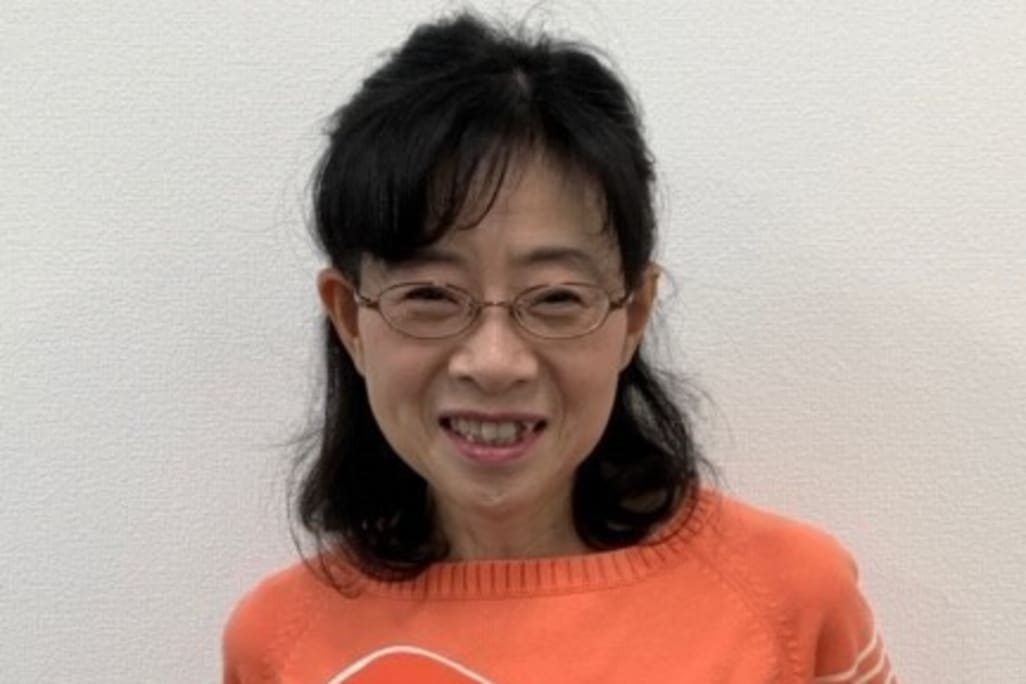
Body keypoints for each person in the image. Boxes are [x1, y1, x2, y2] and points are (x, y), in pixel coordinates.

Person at [223, 12, 896, 683]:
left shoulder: (795, 605)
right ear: (350, 319)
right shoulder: (278, 644)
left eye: (554, 298)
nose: (494, 362)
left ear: (633, 314)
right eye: (430, 295)